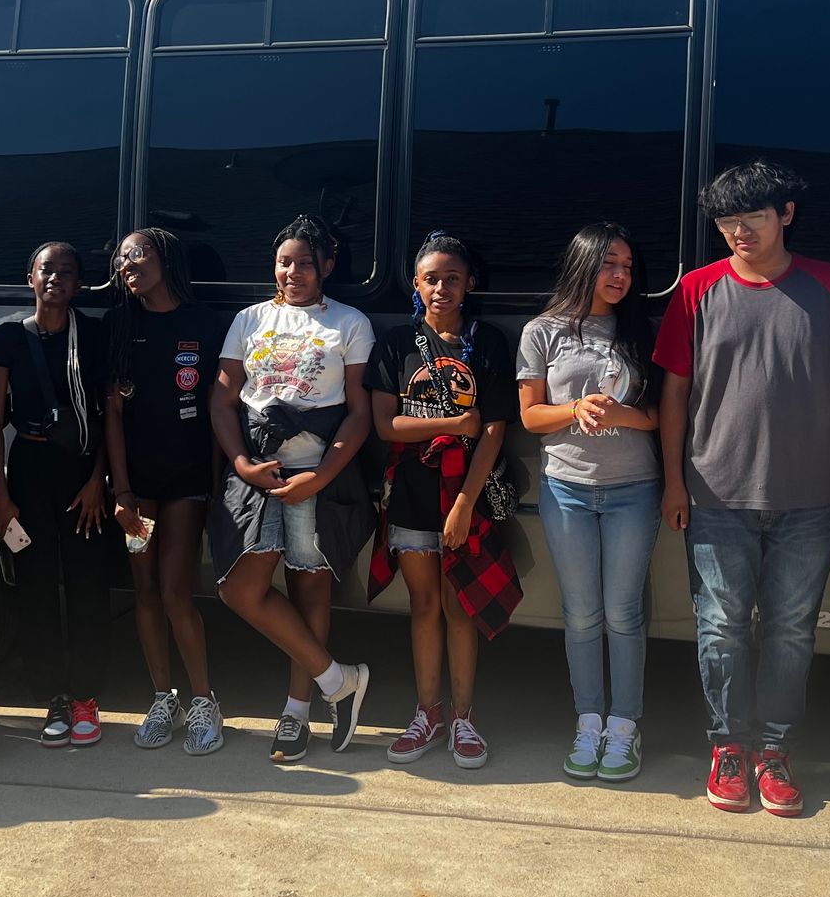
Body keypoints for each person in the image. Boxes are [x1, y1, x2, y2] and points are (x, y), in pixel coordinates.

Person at [657, 161, 830, 817]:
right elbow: (674, 393)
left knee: (789, 632)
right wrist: (674, 481)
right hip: (716, 495)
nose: (738, 231)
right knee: (720, 628)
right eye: (726, 220)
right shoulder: (695, 290)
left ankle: (774, 753)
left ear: (787, 214)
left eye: (752, 216)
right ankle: (728, 748)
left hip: (809, 498)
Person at [210, 215, 375, 762]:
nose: (293, 271)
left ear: (327, 266)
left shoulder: (350, 323)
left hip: (317, 475)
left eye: (306, 262)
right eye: (285, 261)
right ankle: (338, 680)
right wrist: (240, 464)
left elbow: (357, 412)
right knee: (240, 587)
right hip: (259, 471)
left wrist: (322, 476)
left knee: (310, 589)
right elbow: (223, 398)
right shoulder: (249, 319)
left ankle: (296, 710)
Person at [369, 232, 519, 771]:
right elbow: (388, 425)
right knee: (425, 607)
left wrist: (462, 505)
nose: (441, 288)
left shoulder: (490, 342)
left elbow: (496, 431)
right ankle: (426, 713)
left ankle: (462, 716)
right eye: (431, 278)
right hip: (410, 495)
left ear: (469, 284)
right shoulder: (394, 344)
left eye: (452, 278)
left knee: (461, 608)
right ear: (416, 284)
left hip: (467, 497)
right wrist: (455, 422)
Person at [517, 224, 660, 784]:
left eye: (627, 265)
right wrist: (577, 408)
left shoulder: (640, 331)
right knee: (581, 614)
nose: (621, 275)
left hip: (634, 488)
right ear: (582, 264)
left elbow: (657, 417)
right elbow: (530, 417)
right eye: (609, 264)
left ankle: (624, 727)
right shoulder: (541, 331)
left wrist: (619, 414)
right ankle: (588, 721)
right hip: (566, 488)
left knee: (624, 613)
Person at [0, 242, 110, 747]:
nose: (56, 278)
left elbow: (106, 419)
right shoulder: (8, 337)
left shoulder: (94, 336)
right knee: (35, 585)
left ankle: (86, 696)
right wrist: (0, 492)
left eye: (67, 272)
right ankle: (52, 697)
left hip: (82, 470)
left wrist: (97, 480)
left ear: (80, 283)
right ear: (29, 278)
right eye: (46, 270)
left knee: (86, 585)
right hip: (30, 467)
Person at [103, 227, 222, 755]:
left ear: (166, 259)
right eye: (123, 258)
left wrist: (221, 482)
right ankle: (162, 697)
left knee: (176, 591)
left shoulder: (204, 323)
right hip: (139, 490)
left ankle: (204, 700)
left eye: (140, 255)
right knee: (144, 590)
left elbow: (223, 409)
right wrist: (122, 489)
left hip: (188, 483)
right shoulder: (118, 324)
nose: (129, 264)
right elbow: (113, 412)